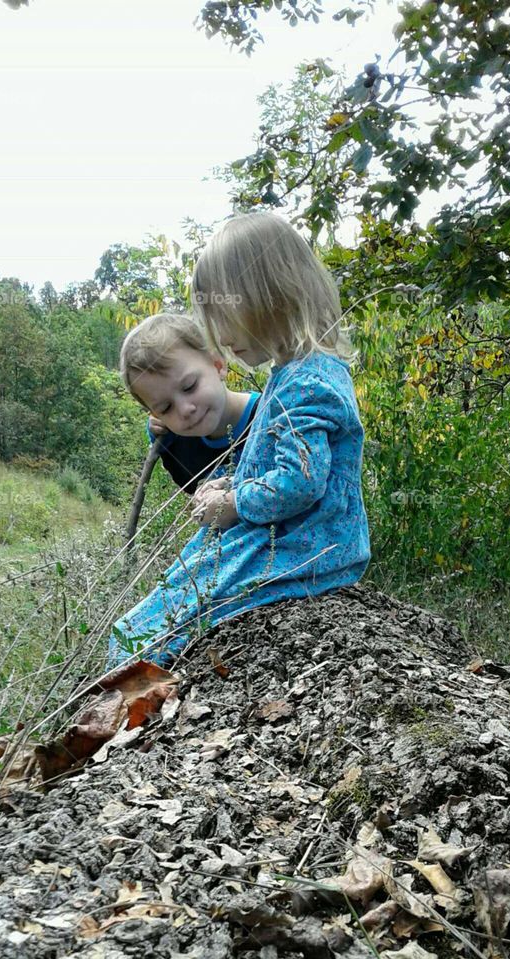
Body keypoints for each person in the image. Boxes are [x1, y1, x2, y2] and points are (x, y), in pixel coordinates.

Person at [107, 210, 371, 669]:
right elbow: (284, 466)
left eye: (223, 317)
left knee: (150, 632)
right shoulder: (292, 374)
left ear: (272, 296)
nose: (222, 337)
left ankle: (132, 705)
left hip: (305, 546)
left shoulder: (308, 382)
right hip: (287, 538)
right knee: (152, 615)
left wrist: (234, 503)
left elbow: (300, 482)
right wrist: (229, 486)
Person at [119, 312, 261, 497]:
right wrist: (161, 439)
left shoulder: (273, 414)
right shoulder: (178, 444)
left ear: (218, 365)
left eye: (189, 387)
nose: (185, 410)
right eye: (166, 408)